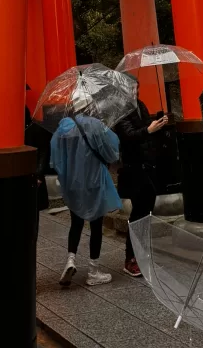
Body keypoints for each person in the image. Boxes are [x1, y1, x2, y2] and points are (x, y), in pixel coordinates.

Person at [50, 112, 121, 287]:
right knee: (96, 226)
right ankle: (93, 271)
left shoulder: (64, 126)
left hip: (73, 183)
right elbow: (112, 153)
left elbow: (55, 160)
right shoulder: (96, 125)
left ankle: (71, 259)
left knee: (76, 223)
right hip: (94, 181)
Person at [115, 88, 169, 277]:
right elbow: (129, 135)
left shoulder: (140, 105)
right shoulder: (120, 110)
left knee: (146, 211)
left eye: (137, 89)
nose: (134, 92)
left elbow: (147, 124)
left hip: (148, 165)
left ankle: (142, 253)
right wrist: (148, 129)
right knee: (138, 213)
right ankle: (131, 258)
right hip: (133, 168)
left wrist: (159, 122)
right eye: (131, 89)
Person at [25, 106, 51, 235]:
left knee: (33, 211)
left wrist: (39, 174)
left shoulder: (36, 128)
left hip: (34, 174)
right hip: (28, 173)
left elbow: (44, 152)